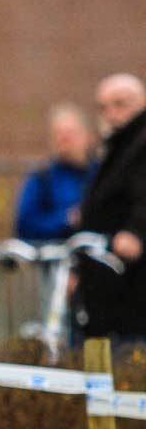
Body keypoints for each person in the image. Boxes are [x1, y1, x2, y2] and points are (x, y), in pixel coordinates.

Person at [76, 73, 146, 341]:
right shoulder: (113, 146)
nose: (111, 114)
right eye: (104, 107)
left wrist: (136, 232)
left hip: (132, 279)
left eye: (120, 104)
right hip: (104, 274)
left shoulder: (139, 143)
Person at [13, 104, 99, 242]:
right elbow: (24, 225)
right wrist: (66, 220)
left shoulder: (102, 174)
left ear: (89, 137)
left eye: (71, 134)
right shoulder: (42, 177)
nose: (64, 140)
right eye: (58, 134)